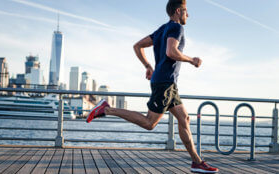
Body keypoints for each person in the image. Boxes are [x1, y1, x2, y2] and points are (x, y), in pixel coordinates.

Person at [86, 0, 219, 173]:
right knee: (150, 123)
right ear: (178, 11)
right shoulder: (176, 27)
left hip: (168, 83)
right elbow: (171, 52)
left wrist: (148, 66)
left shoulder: (161, 30)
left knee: (184, 118)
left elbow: (138, 46)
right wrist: (192, 60)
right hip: (164, 83)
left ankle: (196, 162)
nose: (188, 15)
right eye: (186, 11)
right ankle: (107, 110)